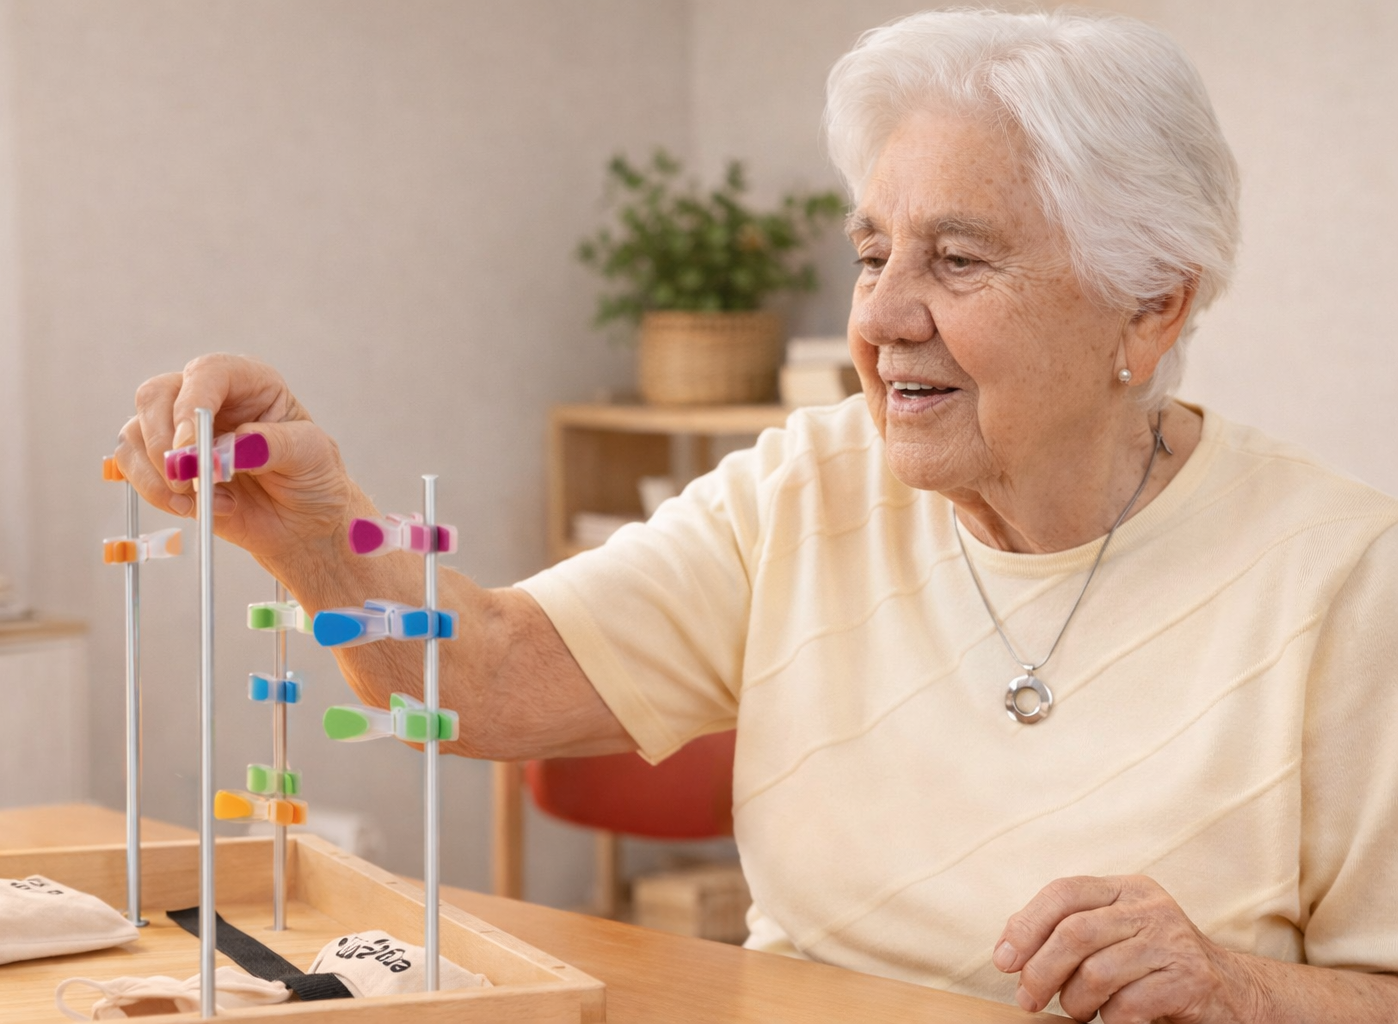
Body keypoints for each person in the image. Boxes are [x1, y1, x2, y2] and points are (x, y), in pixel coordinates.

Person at [112, 9, 1398, 1022]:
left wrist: (1241, 993)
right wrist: (313, 525)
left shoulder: (1344, 578)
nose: (883, 316)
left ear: (1153, 305)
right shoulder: (812, 485)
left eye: (957, 259)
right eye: (872, 251)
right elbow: (483, 681)